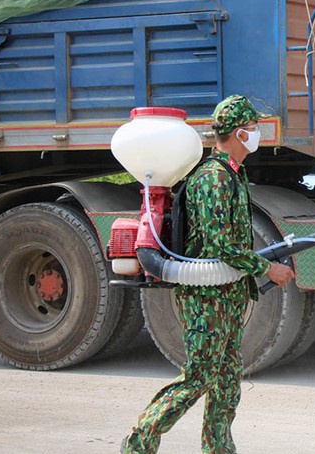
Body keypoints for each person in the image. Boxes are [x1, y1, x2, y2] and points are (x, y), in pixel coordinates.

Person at [122, 95, 295, 453]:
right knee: (199, 376)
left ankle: (218, 448)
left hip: (226, 294)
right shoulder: (214, 178)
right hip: (206, 297)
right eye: (252, 127)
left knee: (227, 378)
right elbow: (221, 247)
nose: (256, 132)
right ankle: (138, 442)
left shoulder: (233, 173)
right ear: (236, 132)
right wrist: (268, 268)